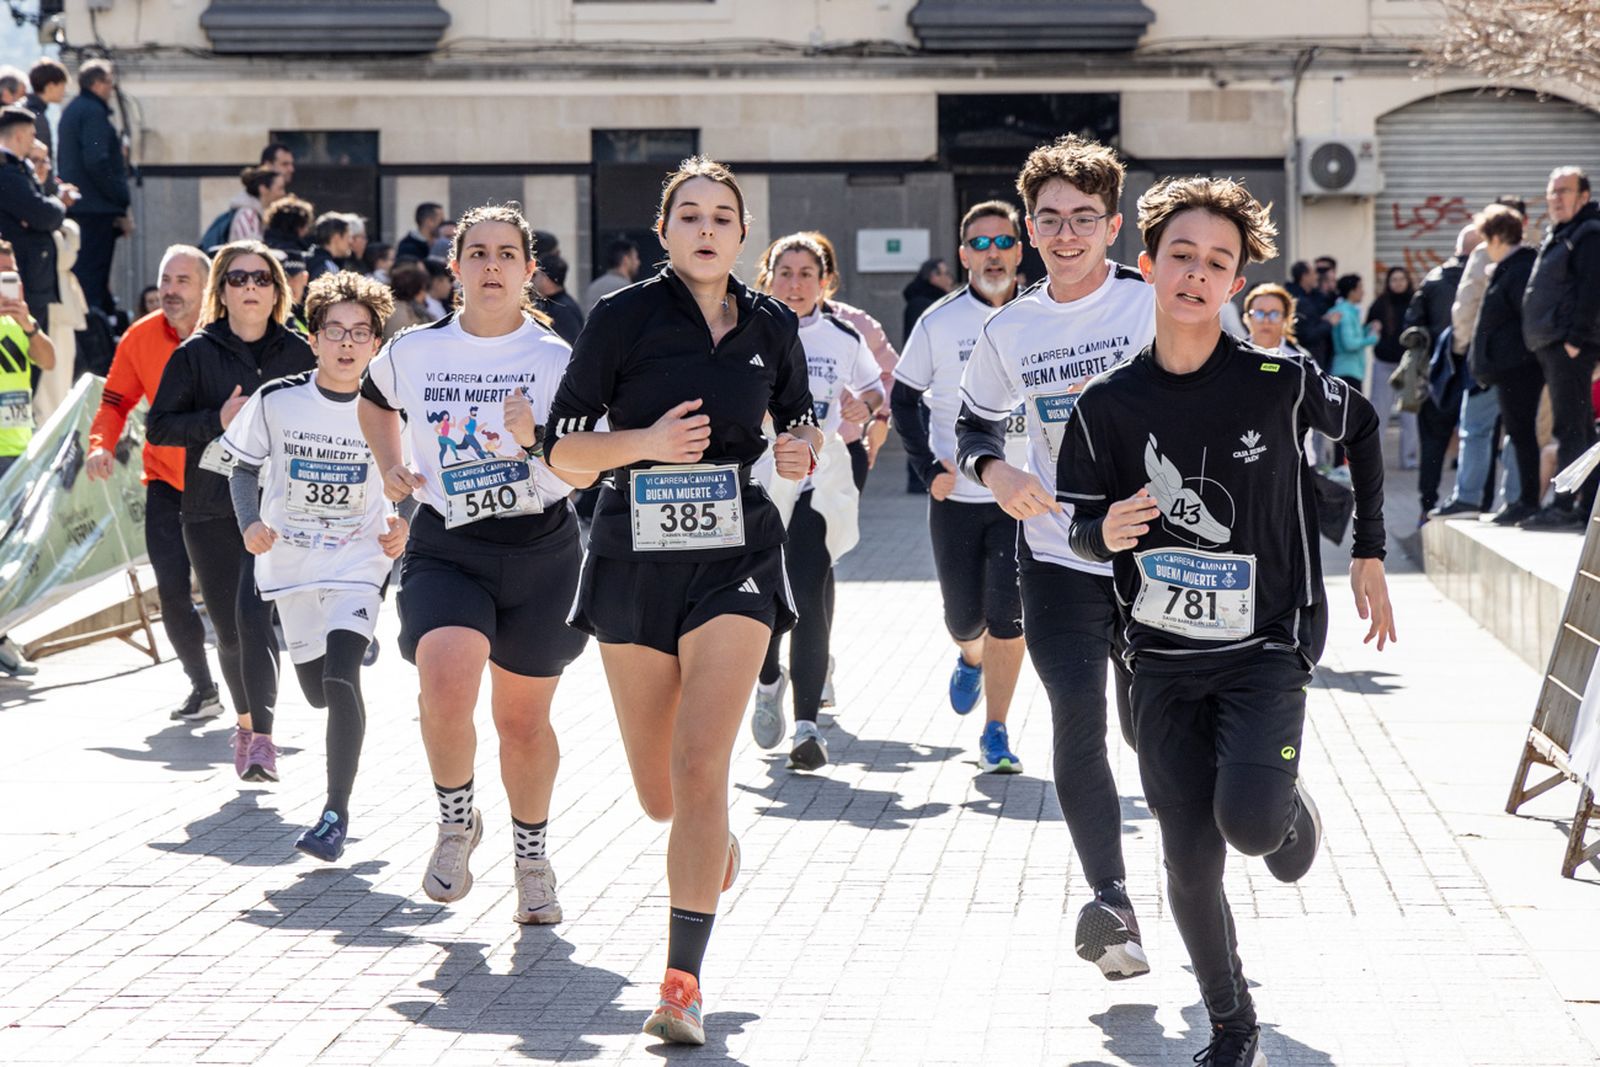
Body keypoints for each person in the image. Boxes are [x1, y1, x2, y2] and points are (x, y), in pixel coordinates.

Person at [1058, 175, 1395, 1067]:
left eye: (1218, 262)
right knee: (1189, 862)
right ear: (1147, 266)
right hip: (1159, 663)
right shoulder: (1105, 405)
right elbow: (1080, 525)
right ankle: (1232, 1022)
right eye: (1182, 256)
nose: (1197, 275)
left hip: (1265, 650)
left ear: (1236, 283)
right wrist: (1106, 530)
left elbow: (1361, 431)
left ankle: (1284, 811)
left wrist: (1369, 548)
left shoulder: (1279, 381)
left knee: (1248, 827)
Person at [543, 157, 821, 1046]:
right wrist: (648, 442)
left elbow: (801, 420)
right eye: (689, 214)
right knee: (664, 795)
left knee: (704, 765)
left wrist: (798, 452)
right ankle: (708, 839)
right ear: (664, 232)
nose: (707, 228)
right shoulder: (622, 318)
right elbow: (561, 454)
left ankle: (682, 981)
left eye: (723, 216)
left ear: (743, 234)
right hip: (631, 554)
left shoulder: (772, 323)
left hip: (733, 555)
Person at [954, 134, 1155, 982]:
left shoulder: (1155, 305)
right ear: (1031, 230)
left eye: (1083, 218)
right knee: (1079, 724)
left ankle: (1258, 801)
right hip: (1058, 557)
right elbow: (971, 427)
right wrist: (996, 469)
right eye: (1049, 220)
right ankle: (1111, 902)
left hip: (1160, 560)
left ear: (1111, 226)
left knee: (1159, 735)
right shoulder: (1010, 327)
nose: (1065, 234)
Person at [359, 203, 592, 921]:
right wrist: (392, 466)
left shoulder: (557, 361)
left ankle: (532, 860)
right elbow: (373, 402)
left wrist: (531, 442)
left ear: (529, 272)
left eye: (507, 254)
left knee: (523, 723)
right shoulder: (415, 350)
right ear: (455, 267)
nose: (492, 265)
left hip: (540, 547)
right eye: (478, 253)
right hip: (448, 544)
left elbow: (579, 472)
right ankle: (456, 819)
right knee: (445, 679)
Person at [223, 271, 406, 859]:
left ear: (377, 344)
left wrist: (406, 526)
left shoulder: (394, 409)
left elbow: (422, 481)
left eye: (361, 333)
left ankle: (334, 814)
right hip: (291, 566)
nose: (347, 344)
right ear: (314, 338)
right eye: (335, 331)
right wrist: (250, 522)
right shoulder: (277, 399)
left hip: (358, 563)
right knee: (317, 692)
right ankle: (348, 642)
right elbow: (242, 466)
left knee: (339, 677)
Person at [148, 241, 317, 782]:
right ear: (221, 291)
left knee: (255, 621)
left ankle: (263, 738)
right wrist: (217, 419)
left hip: (280, 514)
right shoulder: (195, 354)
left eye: (262, 278)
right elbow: (158, 428)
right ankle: (245, 724)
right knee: (229, 632)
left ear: (277, 290)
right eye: (239, 278)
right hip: (210, 511)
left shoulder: (299, 354)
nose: (251, 287)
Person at [891, 200, 1029, 772]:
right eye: (981, 244)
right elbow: (903, 399)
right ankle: (969, 657)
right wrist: (928, 469)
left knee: (1008, 616)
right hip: (958, 499)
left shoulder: (1047, 314)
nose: (992, 254)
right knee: (963, 619)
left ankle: (996, 732)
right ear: (963, 254)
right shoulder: (938, 322)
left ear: (1021, 250)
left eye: (1003, 243)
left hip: (1024, 501)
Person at [749, 232, 883, 770]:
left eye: (808, 273)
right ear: (768, 276)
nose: (796, 283)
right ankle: (765, 678)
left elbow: (874, 392)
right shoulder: (745, 329)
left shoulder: (843, 337)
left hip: (817, 484)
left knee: (806, 590)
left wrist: (862, 408)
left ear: (826, 282)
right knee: (760, 594)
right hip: (756, 484)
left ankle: (807, 724)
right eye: (785, 272)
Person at [87, 245, 220, 719]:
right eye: (165, 280)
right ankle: (203, 688)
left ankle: (251, 695)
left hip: (227, 484)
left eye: (182, 281)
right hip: (166, 482)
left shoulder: (230, 335)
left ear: (207, 287)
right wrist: (100, 444)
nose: (169, 290)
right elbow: (115, 401)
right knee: (171, 592)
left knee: (237, 595)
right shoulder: (140, 337)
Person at [1521, 166, 1600, 528]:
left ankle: (1567, 505)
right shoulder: (1564, 232)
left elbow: (1591, 288)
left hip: (1570, 346)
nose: (1555, 198)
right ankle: (1585, 507)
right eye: (1552, 192)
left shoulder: (1587, 233)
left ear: (1583, 196)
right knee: (1579, 427)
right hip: (1556, 344)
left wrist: (1575, 339)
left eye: (1564, 191)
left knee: (1570, 428)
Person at [0, 241, 58, 676]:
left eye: (12, 272)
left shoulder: (21, 318)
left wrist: (30, 326)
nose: (9, 281)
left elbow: (50, 360)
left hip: (18, 450)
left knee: (9, 557)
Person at [1467, 205, 1543, 527]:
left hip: (1519, 369)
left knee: (1522, 434)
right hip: (1510, 369)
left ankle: (1526, 502)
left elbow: (1528, 319)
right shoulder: (1509, 268)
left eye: (1487, 240)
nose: (1485, 248)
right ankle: (1522, 501)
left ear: (1498, 237)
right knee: (1517, 433)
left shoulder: (1518, 269)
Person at [1413, 224, 1479, 518]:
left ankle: (1427, 505)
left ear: (1457, 248)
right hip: (1479, 373)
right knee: (1478, 437)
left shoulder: (1433, 279)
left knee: (1432, 442)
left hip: (1438, 374)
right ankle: (1478, 502)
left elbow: (1411, 327)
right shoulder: (1490, 276)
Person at [56, 59, 128, 315]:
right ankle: (91, 340)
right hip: (95, 209)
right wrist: (119, 197)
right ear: (97, 84)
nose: (111, 89)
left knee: (87, 275)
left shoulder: (74, 110)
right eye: (109, 83)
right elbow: (96, 160)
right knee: (92, 280)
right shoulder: (92, 112)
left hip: (84, 206)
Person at [0, 105, 65, 330]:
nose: (33, 141)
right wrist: (58, 205)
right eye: (32, 135)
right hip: (22, 277)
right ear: (19, 135)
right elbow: (43, 215)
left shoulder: (18, 169)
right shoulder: (7, 172)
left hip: (31, 275)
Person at [1365, 265, 1417, 468]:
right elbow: (1367, 328)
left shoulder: (1415, 301)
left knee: (1410, 415)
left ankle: (1409, 459)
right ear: (1388, 282)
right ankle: (1372, 460)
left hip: (1408, 365)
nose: (1398, 283)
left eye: (1401, 279)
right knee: (1379, 413)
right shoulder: (1379, 304)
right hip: (1384, 364)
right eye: (1394, 280)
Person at [225, 165, 286, 245]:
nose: (283, 193)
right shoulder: (247, 215)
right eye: (280, 188)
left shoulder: (258, 214)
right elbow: (250, 252)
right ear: (263, 189)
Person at [531, 254, 584, 345]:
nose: (531, 279)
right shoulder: (552, 304)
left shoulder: (563, 310)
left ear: (546, 278)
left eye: (535, 275)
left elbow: (569, 347)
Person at [23, 59, 68, 163]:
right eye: (62, 86)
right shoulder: (36, 116)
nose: (64, 91)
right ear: (50, 86)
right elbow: (43, 160)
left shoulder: (27, 108)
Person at [901, 256, 954, 340]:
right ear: (934, 277)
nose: (950, 279)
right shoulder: (921, 305)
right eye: (947, 273)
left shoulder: (939, 301)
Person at [584, 237, 639, 311]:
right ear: (626, 259)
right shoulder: (626, 288)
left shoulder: (594, 287)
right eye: (635, 258)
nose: (638, 262)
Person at [382, 261, 434, 339]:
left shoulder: (407, 309)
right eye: (423, 289)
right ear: (416, 290)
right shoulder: (401, 315)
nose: (425, 295)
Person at [307, 213, 352, 282]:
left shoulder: (307, 260)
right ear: (336, 237)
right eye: (348, 237)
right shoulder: (328, 268)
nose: (350, 241)